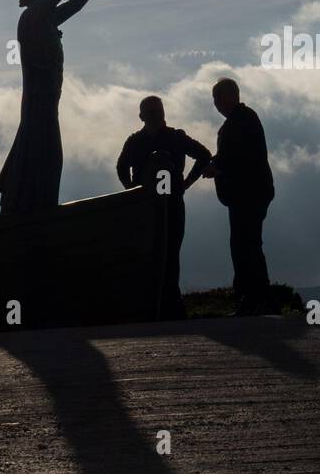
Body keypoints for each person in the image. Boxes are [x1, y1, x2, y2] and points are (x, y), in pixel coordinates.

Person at [0, 0, 120, 214]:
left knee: (49, 160)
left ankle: (34, 207)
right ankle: (26, 209)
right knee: (45, 158)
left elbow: (74, 3)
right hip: (38, 105)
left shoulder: (46, 22)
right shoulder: (30, 20)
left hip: (47, 106)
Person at [116, 96, 212, 320]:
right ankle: (151, 306)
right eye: (150, 112)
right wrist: (132, 191)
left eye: (158, 111)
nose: (155, 116)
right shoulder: (135, 141)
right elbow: (121, 167)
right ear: (141, 116)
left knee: (170, 255)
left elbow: (204, 155)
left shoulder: (176, 137)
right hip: (145, 210)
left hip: (173, 205)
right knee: (147, 255)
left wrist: (187, 183)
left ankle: (171, 306)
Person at [203, 78, 275, 315]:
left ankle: (251, 298)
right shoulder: (242, 120)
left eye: (218, 97)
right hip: (247, 195)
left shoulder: (241, 121)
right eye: (214, 98)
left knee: (244, 245)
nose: (216, 103)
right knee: (248, 244)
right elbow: (233, 154)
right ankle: (257, 297)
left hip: (248, 195)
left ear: (232, 96)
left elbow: (239, 156)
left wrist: (217, 167)